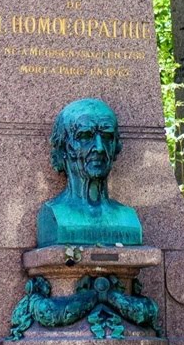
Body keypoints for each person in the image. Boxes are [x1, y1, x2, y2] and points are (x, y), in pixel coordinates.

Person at [36, 98, 143, 247]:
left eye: (106, 136)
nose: (99, 148)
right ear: (64, 147)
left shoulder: (127, 217)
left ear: (115, 147)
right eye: (85, 136)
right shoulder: (53, 214)